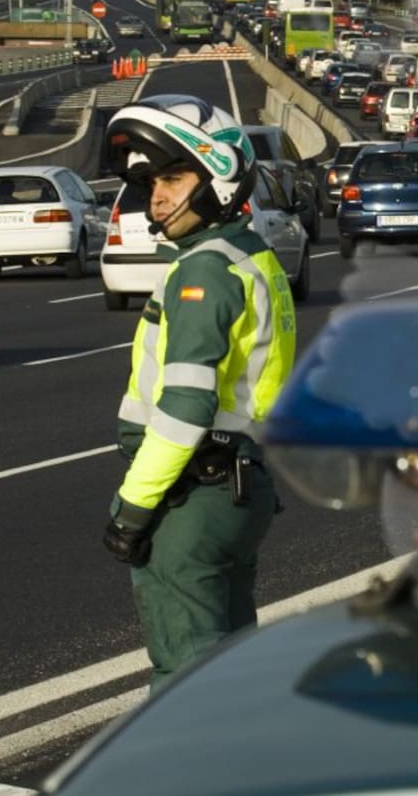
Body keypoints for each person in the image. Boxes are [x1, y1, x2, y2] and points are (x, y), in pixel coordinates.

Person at [100, 94, 297, 690]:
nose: (155, 196)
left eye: (172, 177)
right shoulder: (250, 256)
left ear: (217, 177)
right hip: (239, 483)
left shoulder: (203, 270)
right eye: (151, 182)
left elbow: (186, 406)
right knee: (227, 667)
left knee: (184, 677)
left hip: (194, 494)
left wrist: (132, 507)